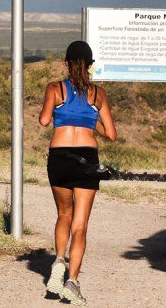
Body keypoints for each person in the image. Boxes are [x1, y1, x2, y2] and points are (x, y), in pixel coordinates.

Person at [38, 40, 117, 306]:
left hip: (59, 157)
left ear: (66, 63)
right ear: (91, 65)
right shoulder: (98, 94)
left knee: (63, 214)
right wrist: (89, 119)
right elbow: (112, 134)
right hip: (87, 158)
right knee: (80, 225)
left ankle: (59, 261)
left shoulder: (55, 88)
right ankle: (72, 281)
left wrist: (65, 114)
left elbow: (44, 120)